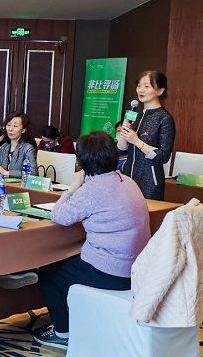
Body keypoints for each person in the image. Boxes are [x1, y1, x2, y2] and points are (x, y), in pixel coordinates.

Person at [33, 131, 150, 350]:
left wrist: (73, 186)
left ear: (83, 162)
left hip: (112, 272)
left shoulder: (92, 190)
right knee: (70, 262)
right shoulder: (128, 181)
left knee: (48, 273)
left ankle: (62, 333)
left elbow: (58, 215)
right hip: (138, 269)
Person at [118, 70, 175, 200]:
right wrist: (124, 135)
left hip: (149, 180)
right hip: (127, 178)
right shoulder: (134, 115)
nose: (141, 90)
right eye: (139, 85)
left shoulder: (164, 119)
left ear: (160, 91)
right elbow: (121, 149)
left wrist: (136, 141)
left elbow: (163, 156)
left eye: (147, 86)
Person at [0, 112, 38, 178]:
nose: (10, 129)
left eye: (15, 126)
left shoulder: (27, 148)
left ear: (23, 130)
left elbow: (33, 173)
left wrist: (7, 173)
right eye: (9, 125)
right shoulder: (4, 147)